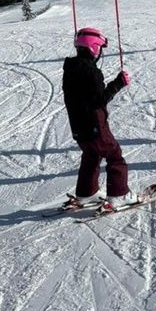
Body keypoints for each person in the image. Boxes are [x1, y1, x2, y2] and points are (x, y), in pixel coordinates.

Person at [62, 27, 139, 212]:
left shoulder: (70, 69)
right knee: (114, 155)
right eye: (100, 49)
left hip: (78, 128)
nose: (100, 53)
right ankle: (119, 195)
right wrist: (119, 83)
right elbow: (99, 100)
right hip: (94, 125)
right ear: (94, 48)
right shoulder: (91, 72)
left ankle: (86, 192)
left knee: (91, 155)